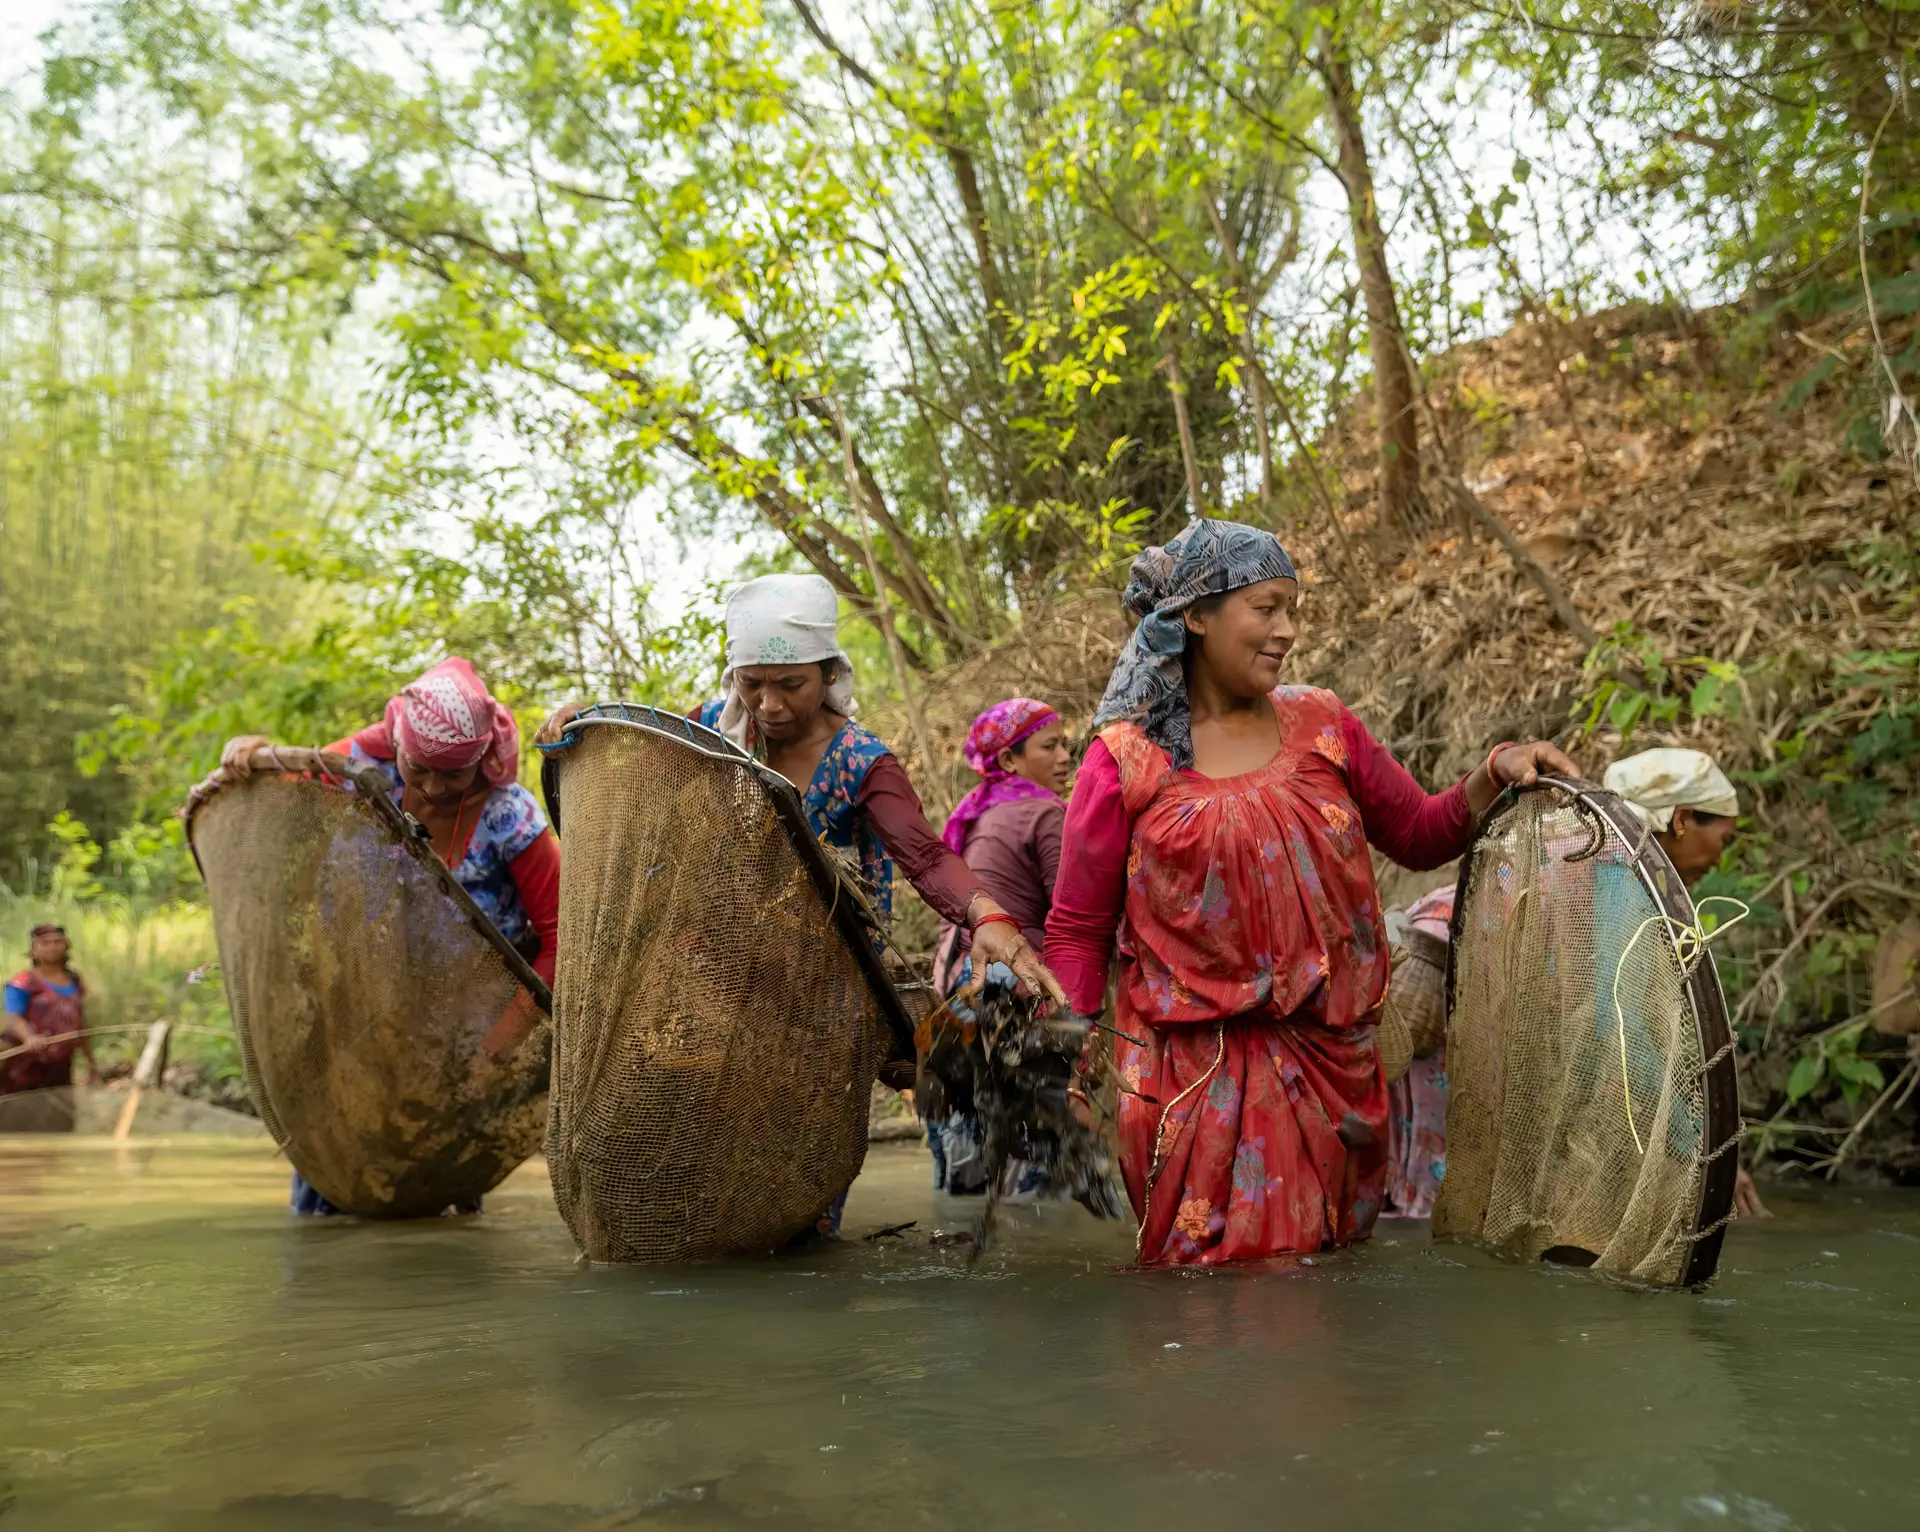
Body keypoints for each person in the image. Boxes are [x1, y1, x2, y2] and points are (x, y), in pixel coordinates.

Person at [1044, 519, 1579, 1267]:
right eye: (1265, 608)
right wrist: (1062, 1064)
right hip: (1191, 1085)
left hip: (1334, 1072)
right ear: (1195, 616)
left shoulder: (1324, 725)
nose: (1287, 630)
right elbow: (1077, 929)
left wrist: (1495, 769)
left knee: (1323, 1299)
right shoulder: (1124, 762)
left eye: (1292, 608)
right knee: (1219, 1314)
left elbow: (1421, 833)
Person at [537, 573, 1065, 1232]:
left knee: (794, 1187)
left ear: (828, 673)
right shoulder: (709, 738)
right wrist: (576, 730)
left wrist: (988, 916)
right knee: (699, 1172)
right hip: (719, 987)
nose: (770, 704)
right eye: (752, 683)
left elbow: (926, 857)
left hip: (821, 1002)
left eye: (791, 685)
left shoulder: (861, 761)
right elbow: (638, 792)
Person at [221, 656, 559, 1216]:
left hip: (462, 1039)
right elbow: (277, 798)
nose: (429, 786)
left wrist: (496, 1049)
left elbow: (557, 939)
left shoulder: (509, 817)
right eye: (417, 766)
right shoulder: (355, 769)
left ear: (480, 761)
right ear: (397, 743)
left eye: (452, 774)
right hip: (352, 1023)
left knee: (443, 1192)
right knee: (331, 1188)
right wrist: (251, 751)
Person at [1605, 745, 1769, 1219]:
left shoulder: (1618, 865)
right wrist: (1699, 1145)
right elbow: (1614, 1027)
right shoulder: (1619, 882)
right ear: (1679, 820)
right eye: (1724, 839)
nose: (1721, 858)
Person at [927, 698, 1073, 1193]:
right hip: (1012, 991)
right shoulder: (1047, 813)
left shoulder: (974, 816)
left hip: (951, 996)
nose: (1064, 757)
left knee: (964, 1176)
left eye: (1066, 746)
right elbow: (1071, 919)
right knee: (1038, 1169)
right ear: (1009, 760)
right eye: (1049, 746)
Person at [2, 924, 97, 1105]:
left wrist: (90, 1061)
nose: (53, 947)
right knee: (20, 1119)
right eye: (45, 943)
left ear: (66, 946)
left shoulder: (74, 980)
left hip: (61, 1065)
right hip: (25, 1064)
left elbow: (80, 1023)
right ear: (33, 950)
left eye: (58, 942)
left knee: (61, 1121)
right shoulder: (22, 982)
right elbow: (12, 1019)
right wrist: (29, 1037)